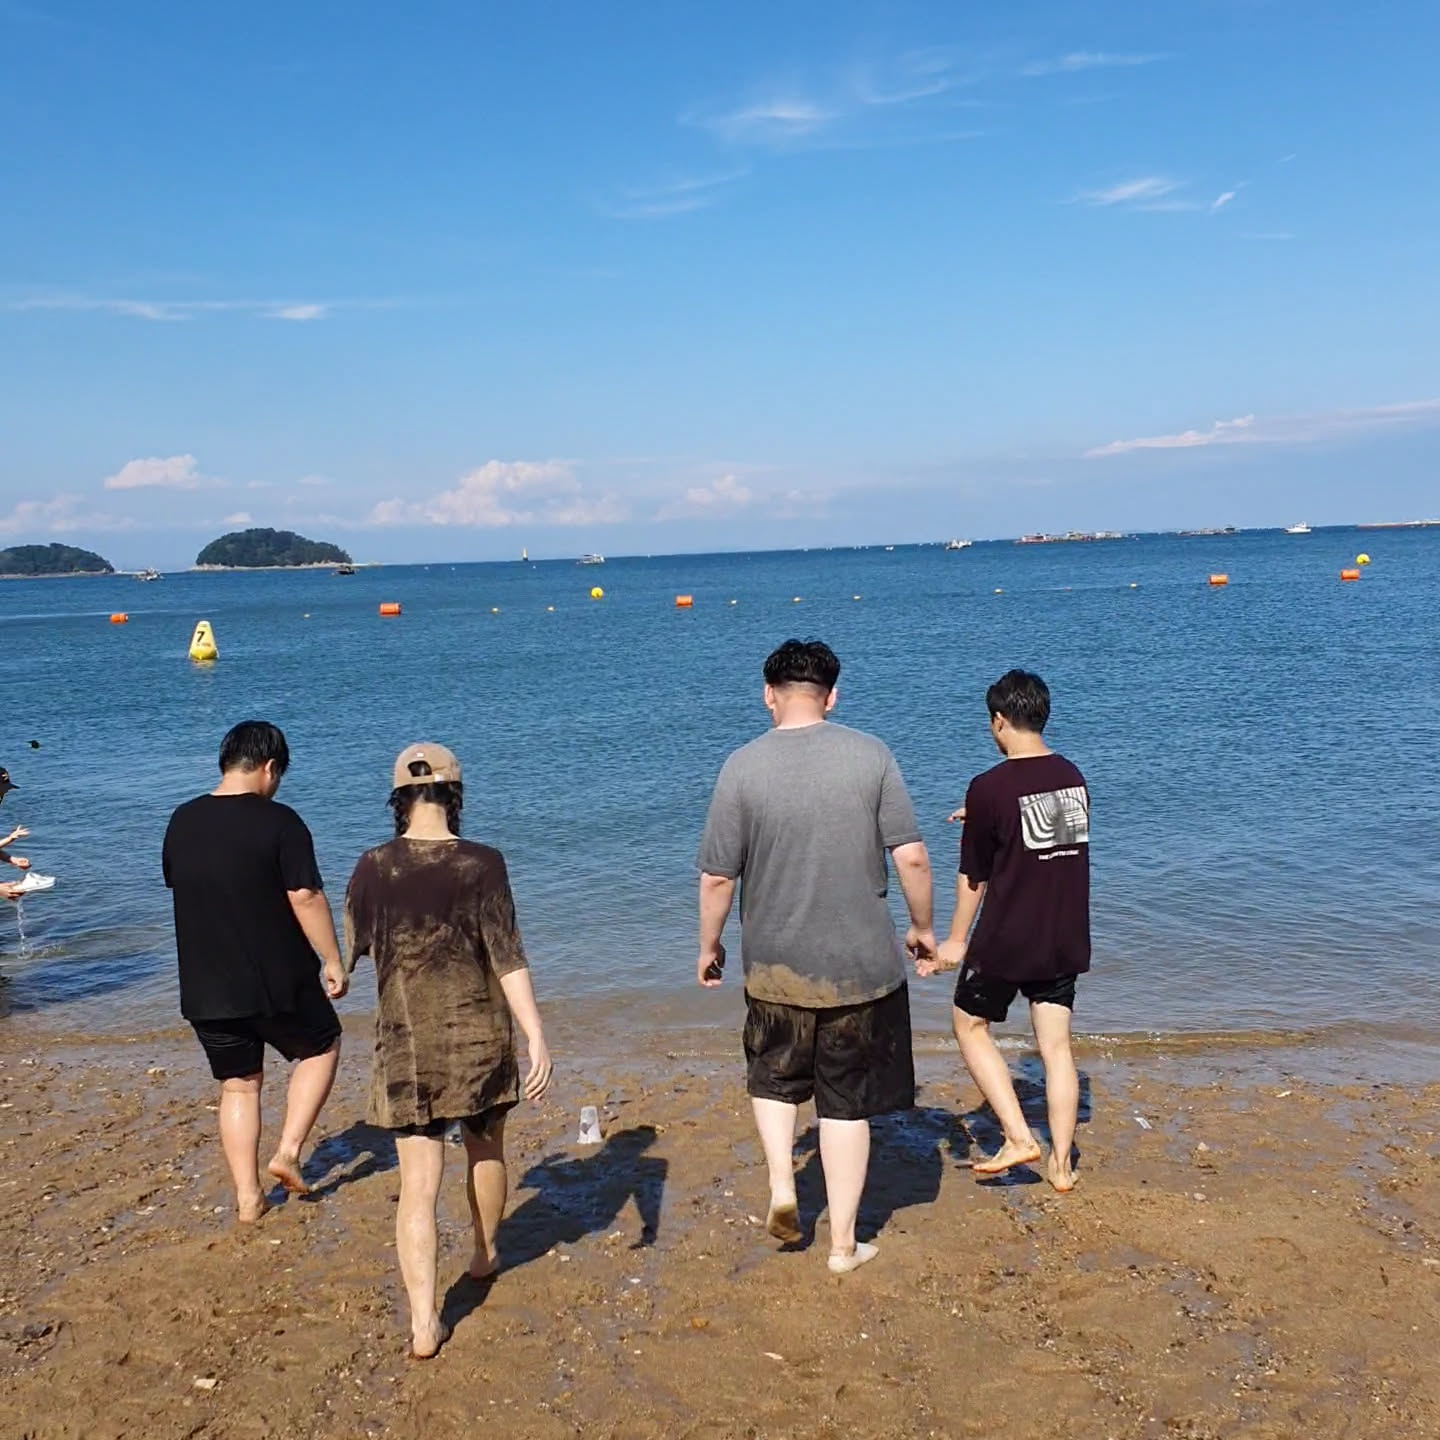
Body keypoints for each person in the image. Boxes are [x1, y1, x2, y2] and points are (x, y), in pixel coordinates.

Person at [697, 639, 935, 1275]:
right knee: (846, 1102)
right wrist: (923, 928)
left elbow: (717, 878)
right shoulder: (872, 755)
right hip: (860, 967)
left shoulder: (740, 767)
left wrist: (709, 946)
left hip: (775, 965)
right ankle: (843, 1245)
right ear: (831, 697)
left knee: (774, 1077)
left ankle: (783, 1184)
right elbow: (911, 855)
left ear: (768, 695)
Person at [344, 743, 553, 1360]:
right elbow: (507, 956)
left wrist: (328, 971)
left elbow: (348, 953)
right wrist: (536, 1033)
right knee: (486, 1150)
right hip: (479, 1040)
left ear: (398, 799)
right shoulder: (483, 863)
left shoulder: (373, 866)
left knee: (417, 1184)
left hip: (406, 1045)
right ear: (454, 794)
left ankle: (422, 1323)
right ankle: (484, 1254)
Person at [162, 721, 348, 1223]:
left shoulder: (182, 819)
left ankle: (248, 1199)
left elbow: (180, 882)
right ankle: (287, 1152)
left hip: (204, 986)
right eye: (278, 775)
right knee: (322, 1045)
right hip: (275, 979)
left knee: (239, 1085)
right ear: (269, 767)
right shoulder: (280, 822)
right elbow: (304, 896)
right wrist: (333, 959)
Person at [919, 669, 1090, 1194]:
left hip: (1009, 936)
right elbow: (1042, 829)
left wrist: (954, 940)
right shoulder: (1071, 775)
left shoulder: (989, 786)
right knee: (1056, 1047)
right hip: (1063, 931)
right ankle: (1061, 1167)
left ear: (999, 721)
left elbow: (974, 876)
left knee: (968, 1024)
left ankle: (1018, 1137)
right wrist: (981, 815)